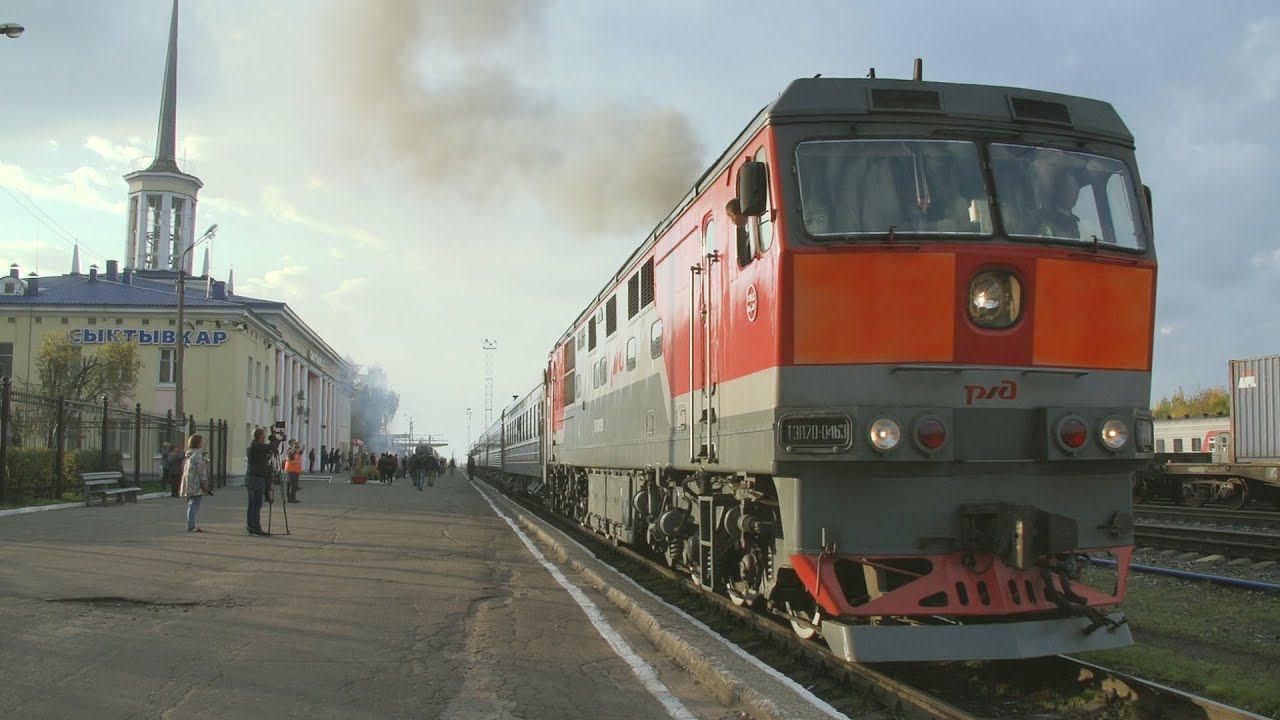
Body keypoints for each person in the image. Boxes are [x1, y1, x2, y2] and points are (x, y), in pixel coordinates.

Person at [245, 427, 281, 536]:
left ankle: (251, 527)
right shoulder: (256, 446)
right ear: (260, 436)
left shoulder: (254, 446)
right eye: (263, 435)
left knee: (252, 504)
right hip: (257, 478)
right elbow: (271, 447)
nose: (265, 437)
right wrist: (277, 440)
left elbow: (269, 448)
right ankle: (255, 528)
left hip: (252, 477)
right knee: (256, 505)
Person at [179, 434, 211, 532]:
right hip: (196, 483)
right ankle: (191, 525)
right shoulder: (196, 456)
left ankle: (190, 524)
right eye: (201, 441)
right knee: (194, 504)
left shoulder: (189, 454)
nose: (203, 443)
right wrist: (205, 484)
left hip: (189, 482)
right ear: (197, 443)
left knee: (191, 503)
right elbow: (201, 471)